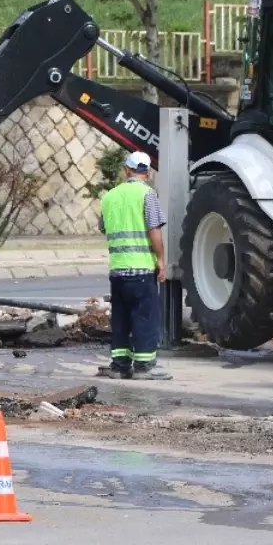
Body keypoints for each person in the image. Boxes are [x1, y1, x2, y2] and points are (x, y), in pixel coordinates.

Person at [98, 151, 172, 381]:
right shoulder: (147, 195)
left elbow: (103, 227)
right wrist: (161, 260)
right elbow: (154, 230)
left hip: (118, 270)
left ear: (126, 170)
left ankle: (120, 365)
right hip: (141, 270)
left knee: (121, 318)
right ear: (148, 173)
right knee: (145, 317)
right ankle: (143, 366)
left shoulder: (109, 196)